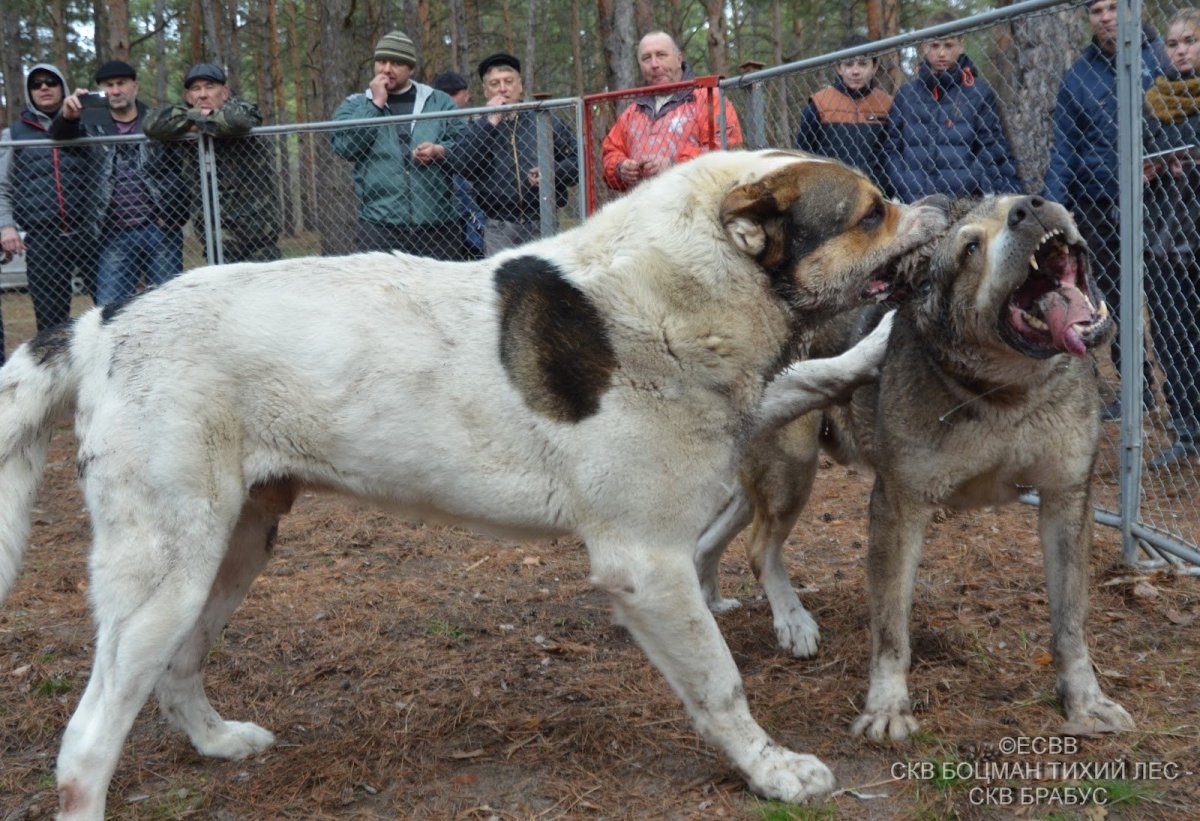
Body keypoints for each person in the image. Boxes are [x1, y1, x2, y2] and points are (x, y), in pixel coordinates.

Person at [1044, 0, 1167, 420]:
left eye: (1115, 6)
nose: (1106, 16)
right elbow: (1064, 147)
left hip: (1160, 199)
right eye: (1096, 10)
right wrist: (1057, 210)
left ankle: (1187, 396)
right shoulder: (1079, 75)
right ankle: (1137, 391)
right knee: (1114, 302)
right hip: (1099, 202)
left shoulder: (1160, 56)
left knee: (1169, 298)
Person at [51, 60, 192, 306]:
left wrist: (173, 215)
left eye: (121, 84)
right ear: (100, 90)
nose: (116, 91)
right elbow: (59, 139)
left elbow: (182, 171)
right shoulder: (91, 124)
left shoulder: (157, 121)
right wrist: (68, 116)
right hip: (113, 233)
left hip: (160, 230)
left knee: (170, 308)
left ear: (135, 86)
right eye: (109, 85)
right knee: (110, 310)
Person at [331, 30, 463, 259]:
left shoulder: (439, 101)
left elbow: (465, 145)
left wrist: (440, 151)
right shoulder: (355, 104)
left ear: (411, 69)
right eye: (382, 61)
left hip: (437, 223)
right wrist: (375, 105)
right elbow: (345, 147)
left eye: (397, 63)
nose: (386, 69)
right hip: (379, 225)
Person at [144, 63, 281, 264]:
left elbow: (238, 122)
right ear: (189, 96)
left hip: (258, 236)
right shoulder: (184, 112)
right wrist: (200, 118)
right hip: (216, 237)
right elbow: (152, 124)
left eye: (210, 87)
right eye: (196, 89)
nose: (202, 94)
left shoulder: (241, 107)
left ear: (224, 92)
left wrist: (194, 123)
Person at [1142, 8, 1200, 467]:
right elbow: (1139, 160)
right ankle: (1184, 427)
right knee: (1171, 334)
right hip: (1163, 238)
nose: (1181, 50)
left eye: (1190, 41)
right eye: (1174, 43)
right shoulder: (1152, 102)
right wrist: (1157, 165)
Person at [884, 12, 1022, 202]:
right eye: (935, 45)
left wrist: (972, 179)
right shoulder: (906, 95)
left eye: (949, 45)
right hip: (914, 201)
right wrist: (903, 182)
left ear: (961, 45)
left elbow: (993, 147)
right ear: (924, 47)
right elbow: (892, 148)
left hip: (962, 202)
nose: (942, 53)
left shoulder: (978, 93)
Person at [450, 53, 579, 254]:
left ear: (520, 86)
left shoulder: (545, 121)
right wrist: (490, 122)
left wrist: (551, 172)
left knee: (545, 283)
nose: (502, 88)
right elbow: (462, 165)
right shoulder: (476, 127)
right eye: (494, 84)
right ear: (486, 91)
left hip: (543, 222)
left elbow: (578, 163)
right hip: (498, 227)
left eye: (508, 82)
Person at [0, 64, 94, 335]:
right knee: (50, 323)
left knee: (110, 310)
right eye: (36, 84)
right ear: (30, 92)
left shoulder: (86, 124)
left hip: (90, 234)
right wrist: (6, 226)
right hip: (44, 239)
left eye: (50, 82)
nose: (44, 87)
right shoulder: (14, 134)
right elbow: (2, 186)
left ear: (62, 87)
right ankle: (55, 377)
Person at [601, 31, 743, 191]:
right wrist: (620, 168)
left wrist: (674, 165)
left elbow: (726, 152)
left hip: (698, 206)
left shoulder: (709, 98)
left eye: (661, 55)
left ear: (679, 59)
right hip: (644, 208)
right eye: (646, 58)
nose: (654, 64)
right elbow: (610, 153)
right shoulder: (632, 112)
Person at [795, 34, 892, 195]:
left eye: (862, 64)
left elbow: (895, 152)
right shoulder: (819, 104)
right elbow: (803, 154)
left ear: (874, 67)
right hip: (830, 195)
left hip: (877, 194)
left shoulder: (887, 104)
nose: (855, 71)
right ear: (839, 68)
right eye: (848, 64)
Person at [433, 69, 486, 259]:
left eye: (454, 95)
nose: (449, 101)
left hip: (479, 205)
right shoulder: (427, 128)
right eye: (444, 96)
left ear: (466, 96)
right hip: (443, 211)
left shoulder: (483, 124)